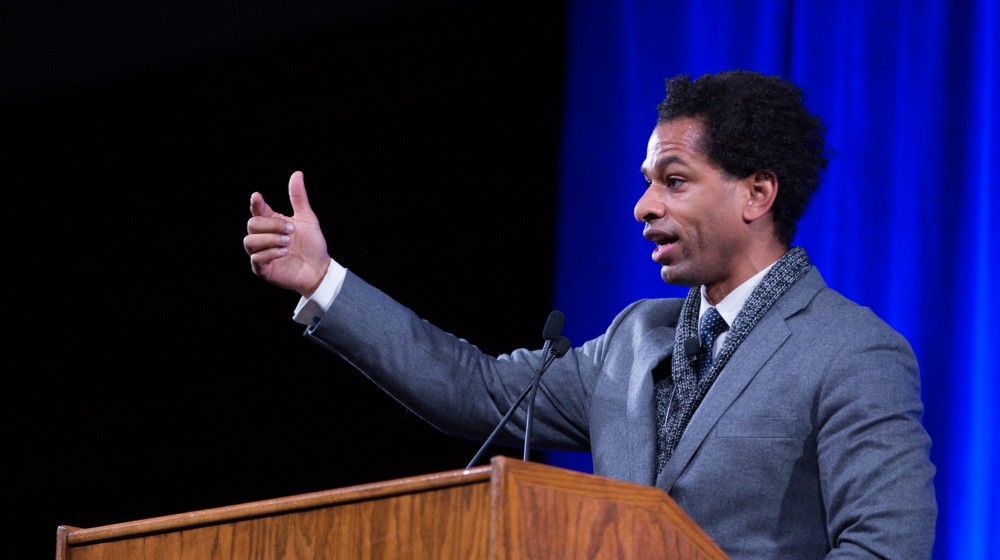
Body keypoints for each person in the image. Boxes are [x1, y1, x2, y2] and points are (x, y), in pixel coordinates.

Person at [243, 70, 937, 558]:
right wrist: (324, 282)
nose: (644, 207)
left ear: (756, 193)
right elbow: (475, 389)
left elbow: (884, 549)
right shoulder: (635, 338)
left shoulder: (852, 351)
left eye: (673, 181)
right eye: (645, 185)